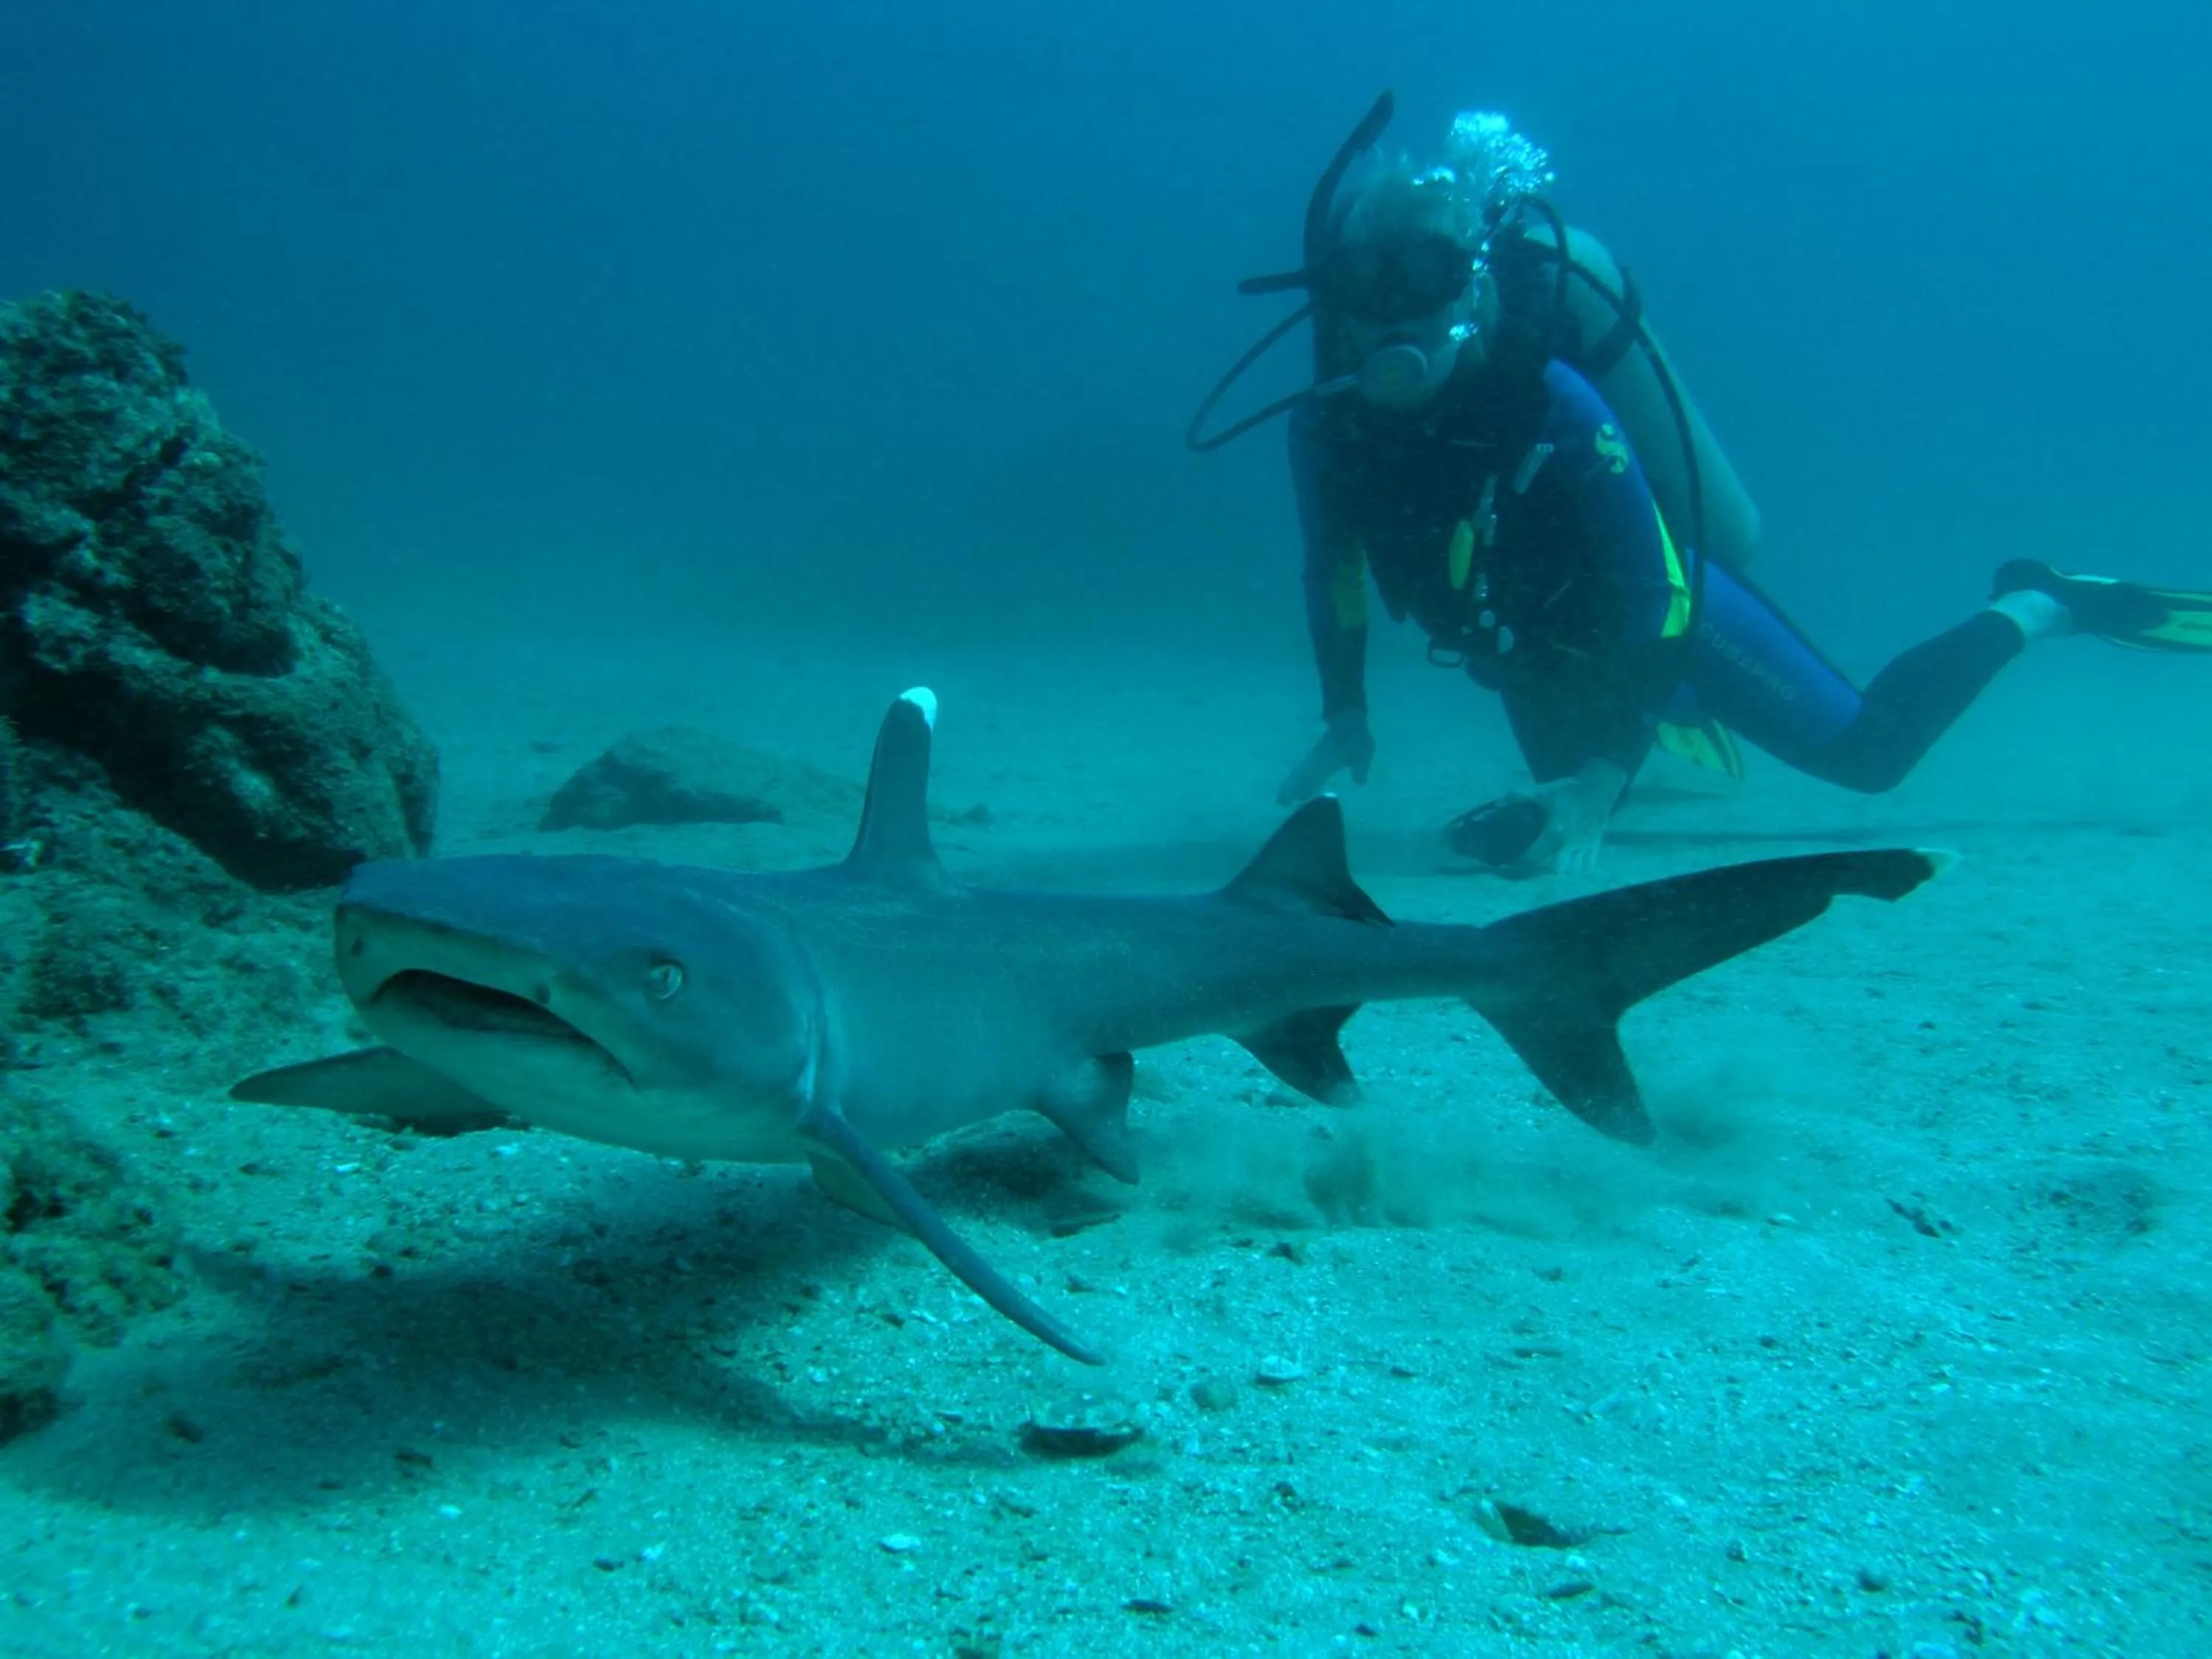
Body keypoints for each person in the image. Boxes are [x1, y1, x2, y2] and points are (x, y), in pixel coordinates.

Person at [1188, 94, 2212, 877]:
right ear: (1334, 300)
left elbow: (1657, 582)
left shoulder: (1546, 395)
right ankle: (1659, 714)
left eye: (1424, 280)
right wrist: (1345, 708)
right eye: (1366, 287)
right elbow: (1334, 567)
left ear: (1470, 285)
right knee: (1554, 812)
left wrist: (1605, 769)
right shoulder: (1327, 425)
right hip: (1534, 642)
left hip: (1663, 602)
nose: (1394, 318)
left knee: (1868, 756)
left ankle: (2040, 601)